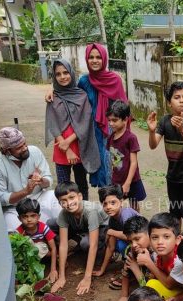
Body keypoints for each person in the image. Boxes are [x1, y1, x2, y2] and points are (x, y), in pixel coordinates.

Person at [45, 43, 128, 187]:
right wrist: (52, 90)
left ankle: (116, 205)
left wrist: (124, 135)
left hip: (111, 132)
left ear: (104, 59)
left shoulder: (115, 80)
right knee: (99, 167)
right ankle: (106, 205)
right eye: (91, 57)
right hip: (90, 132)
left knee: (115, 169)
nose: (94, 60)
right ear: (87, 59)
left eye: (98, 57)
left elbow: (125, 110)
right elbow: (71, 94)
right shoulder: (84, 81)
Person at [147, 82, 183, 232]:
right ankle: (176, 241)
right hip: (172, 176)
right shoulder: (164, 121)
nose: (182, 100)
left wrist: (182, 129)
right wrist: (151, 131)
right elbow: (153, 145)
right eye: (177, 97)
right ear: (169, 102)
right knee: (175, 211)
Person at [45, 58, 100, 200]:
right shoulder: (52, 97)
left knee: (82, 185)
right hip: (61, 149)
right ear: (54, 77)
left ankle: (84, 213)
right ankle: (67, 217)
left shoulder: (81, 95)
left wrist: (68, 142)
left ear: (71, 72)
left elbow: (86, 121)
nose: (62, 77)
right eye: (58, 74)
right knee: (63, 187)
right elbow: (53, 123)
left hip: (79, 146)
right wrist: (65, 147)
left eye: (65, 72)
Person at [0, 127, 61, 232]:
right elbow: (2, 198)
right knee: (12, 228)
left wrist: (42, 181)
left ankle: (65, 234)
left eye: (24, 144)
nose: (24, 148)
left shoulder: (35, 152)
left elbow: (48, 180)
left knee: (55, 196)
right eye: (19, 148)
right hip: (15, 208)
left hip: (39, 198)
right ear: (7, 151)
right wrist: (25, 191)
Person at [50, 182, 109, 294]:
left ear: (80, 196)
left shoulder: (90, 211)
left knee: (86, 243)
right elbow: (63, 244)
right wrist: (62, 276)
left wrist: (87, 278)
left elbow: (93, 245)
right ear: (59, 203)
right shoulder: (63, 214)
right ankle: (79, 240)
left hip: (102, 228)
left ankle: (104, 251)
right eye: (64, 201)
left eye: (72, 197)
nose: (69, 203)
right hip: (84, 227)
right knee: (51, 223)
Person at [106, 100, 146, 212]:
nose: (111, 123)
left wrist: (127, 183)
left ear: (125, 120)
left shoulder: (131, 138)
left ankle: (137, 223)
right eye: (109, 120)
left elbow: (134, 162)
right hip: (117, 179)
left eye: (114, 120)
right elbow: (111, 158)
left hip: (132, 180)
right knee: (116, 204)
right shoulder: (111, 137)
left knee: (134, 204)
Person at [94, 184, 139, 279]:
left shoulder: (125, 213)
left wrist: (111, 232)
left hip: (144, 246)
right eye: (105, 204)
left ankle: (133, 271)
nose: (108, 207)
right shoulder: (112, 219)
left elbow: (133, 236)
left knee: (115, 238)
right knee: (110, 240)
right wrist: (102, 270)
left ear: (121, 202)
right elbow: (111, 247)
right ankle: (129, 264)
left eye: (113, 203)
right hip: (132, 244)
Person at [114, 216, 153, 301]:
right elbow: (125, 273)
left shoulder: (156, 255)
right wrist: (124, 296)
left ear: (149, 234)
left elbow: (150, 290)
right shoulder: (131, 250)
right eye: (130, 241)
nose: (134, 244)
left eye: (137, 239)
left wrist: (135, 269)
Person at [15, 198, 58, 283]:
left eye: (33, 216)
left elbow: (53, 248)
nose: (29, 219)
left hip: (45, 252)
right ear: (19, 218)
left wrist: (53, 270)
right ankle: (29, 271)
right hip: (30, 256)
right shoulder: (19, 232)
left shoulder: (43, 228)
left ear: (38, 216)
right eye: (25, 216)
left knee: (39, 246)